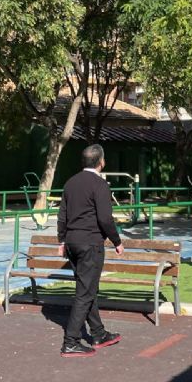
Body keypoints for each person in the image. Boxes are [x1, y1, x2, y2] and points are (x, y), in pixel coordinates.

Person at [57, 144, 124, 358]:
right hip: (90, 244)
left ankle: (98, 333)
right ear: (101, 162)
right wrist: (117, 241)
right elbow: (105, 218)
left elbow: (62, 216)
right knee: (85, 293)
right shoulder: (100, 185)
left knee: (88, 288)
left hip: (72, 244)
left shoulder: (70, 183)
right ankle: (71, 342)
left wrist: (61, 241)